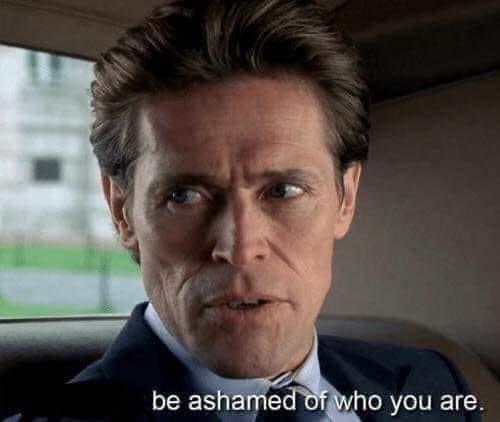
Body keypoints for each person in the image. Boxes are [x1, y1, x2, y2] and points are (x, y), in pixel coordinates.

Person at [8, 0, 480, 421]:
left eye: (284, 191)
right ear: (122, 211)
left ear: (346, 197)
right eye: (184, 196)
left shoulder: (431, 387)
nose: (239, 247)